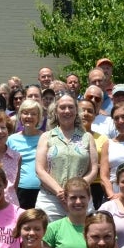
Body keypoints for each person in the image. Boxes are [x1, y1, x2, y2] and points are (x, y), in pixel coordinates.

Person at [35, 93, 98, 221]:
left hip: (80, 200)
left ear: (76, 111)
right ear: (56, 111)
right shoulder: (46, 137)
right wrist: (60, 192)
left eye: (71, 107)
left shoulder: (87, 137)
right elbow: (40, 169)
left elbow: (93, 170)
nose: (67, 111)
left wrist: (75, 192)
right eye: (62, 107)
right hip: (50, 200)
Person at [7, 98, 44, 209]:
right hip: (19, 190)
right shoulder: (11, 140)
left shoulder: (46, 138)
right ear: (20, 116)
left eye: (33, 114)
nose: (29, 117)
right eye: (25, 113)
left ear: (38, 118)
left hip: (42, 191)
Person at [44, 177, 91, 248]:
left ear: (89, 198)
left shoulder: (99, 227)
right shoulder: (53, 229)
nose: (78, 202)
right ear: (65, 199)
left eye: (82, 197)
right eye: (73, 197)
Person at [79, 96, 109, 209]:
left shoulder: (103, 139)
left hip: (97, 186)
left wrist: (95, 167)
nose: (85, 113)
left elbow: (107, 165)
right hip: (75, 185)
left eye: (90, 111)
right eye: (82, 110)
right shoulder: (68, 137)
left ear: (95, 115)